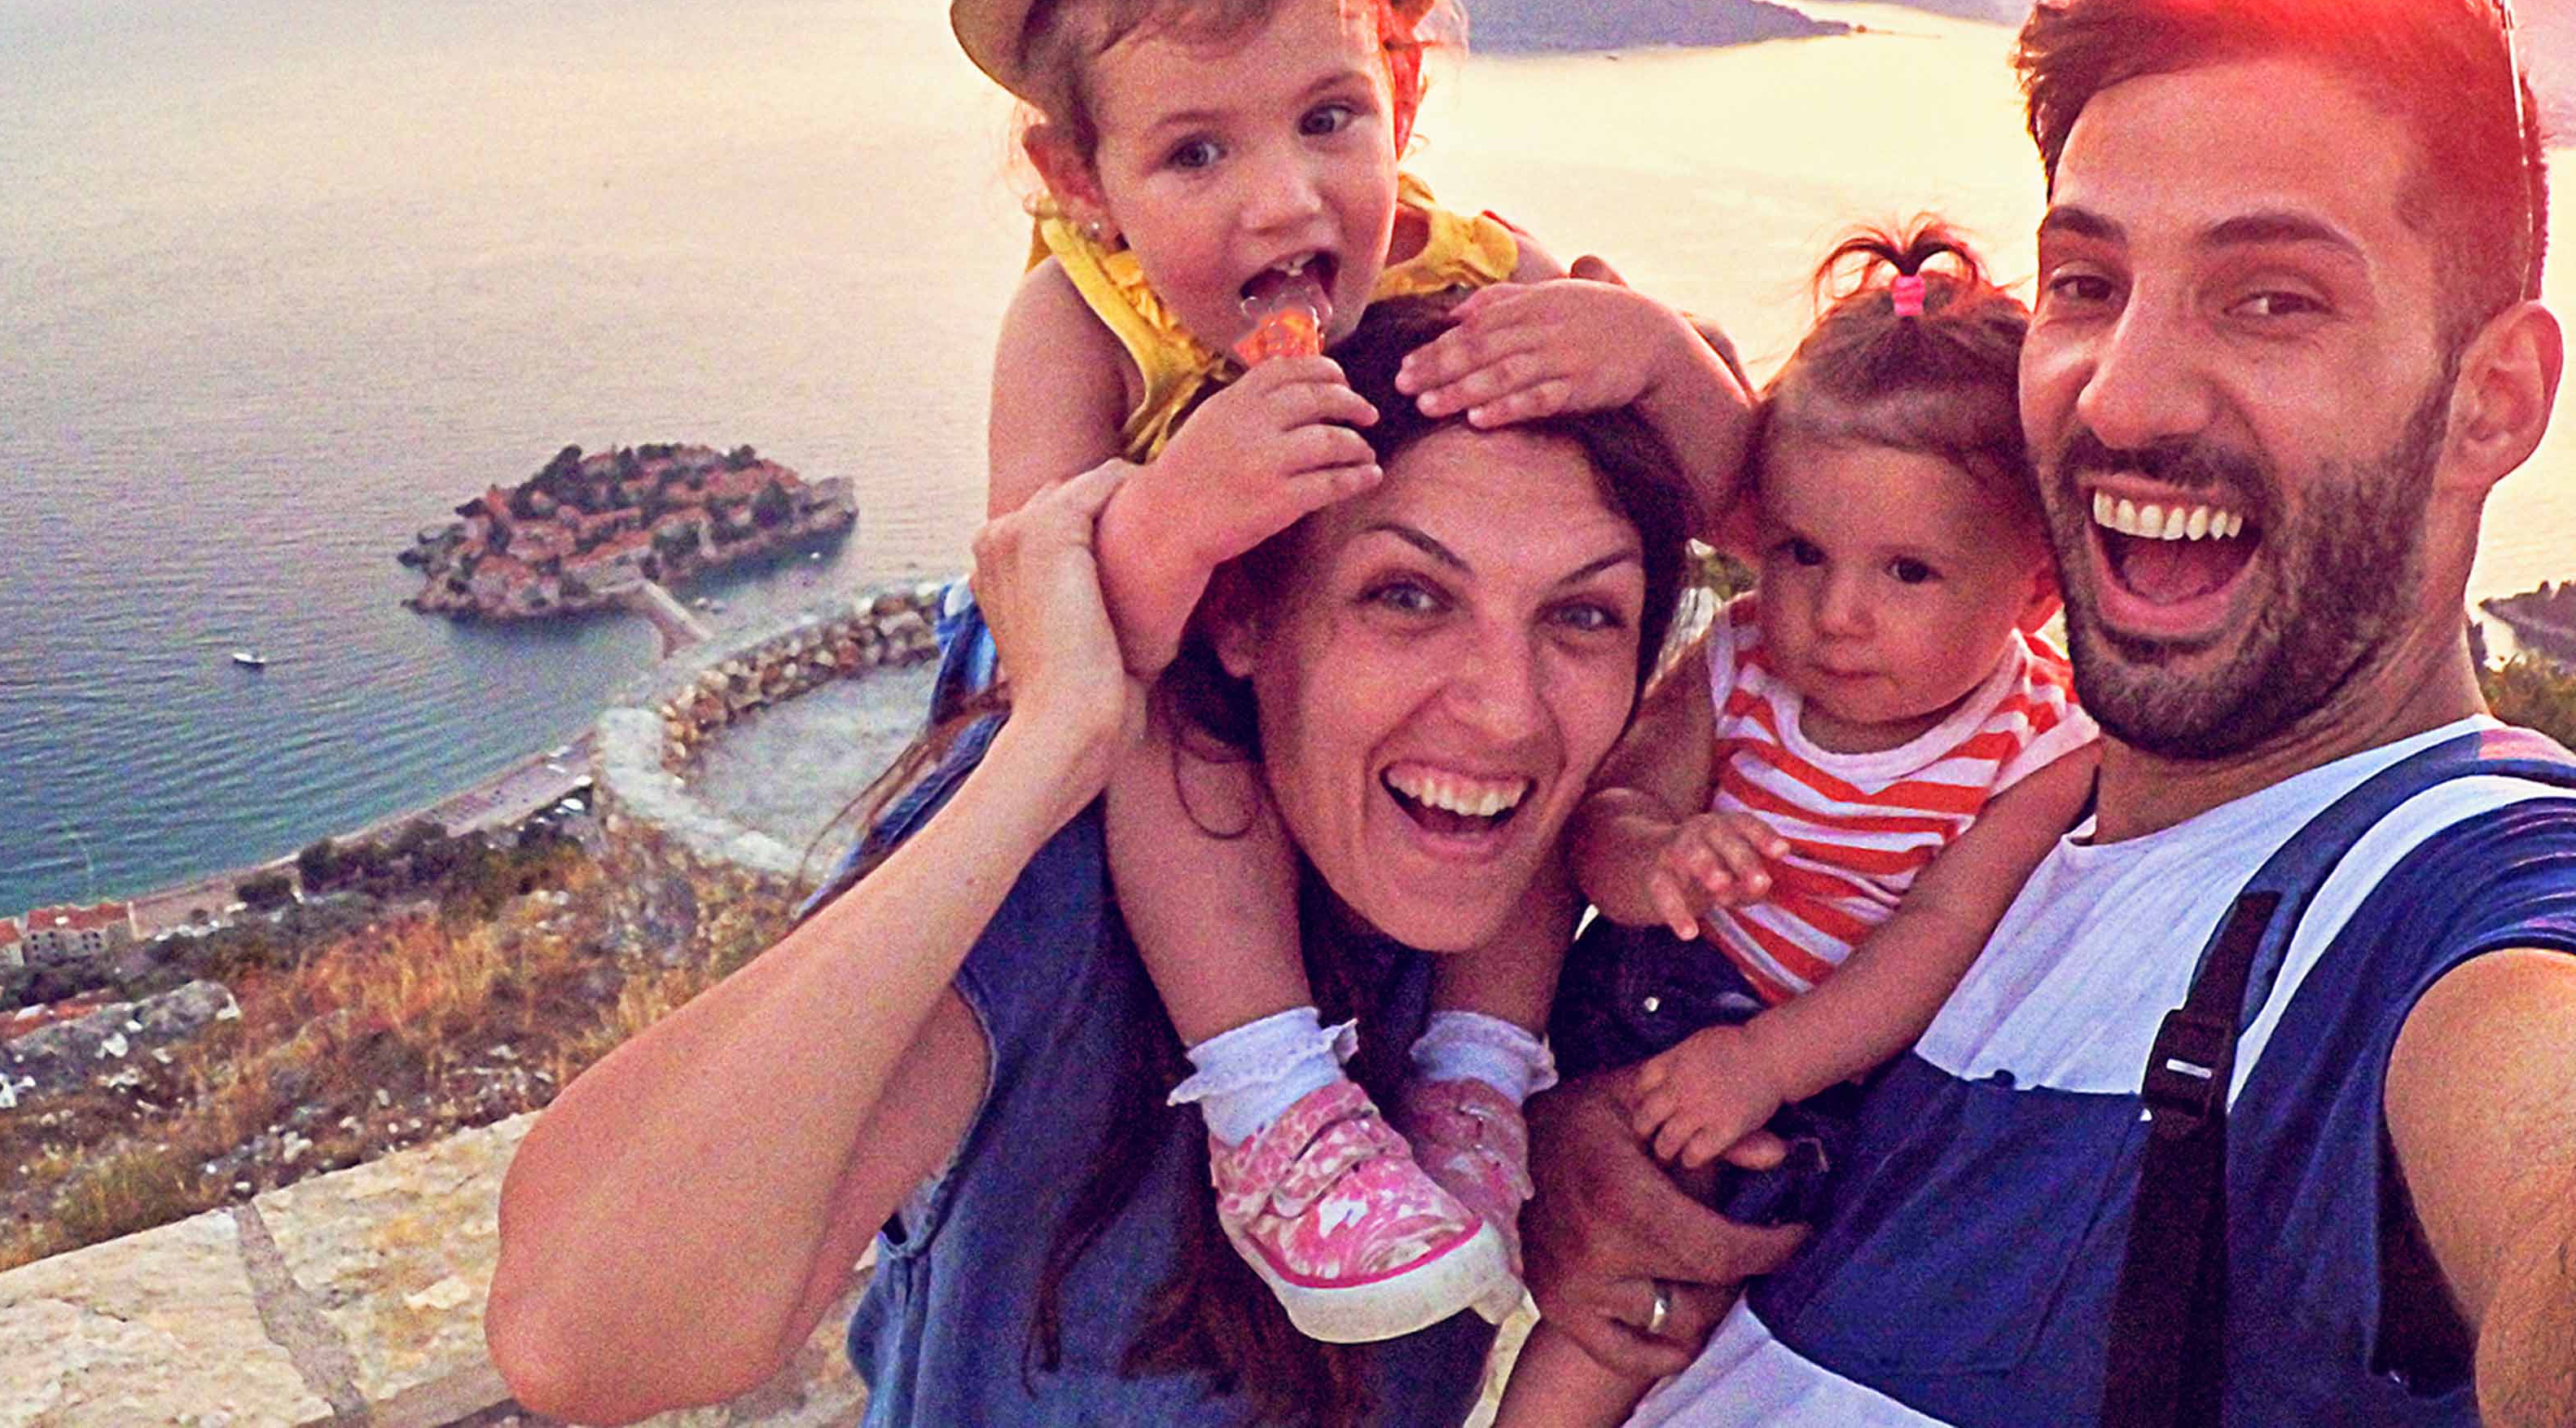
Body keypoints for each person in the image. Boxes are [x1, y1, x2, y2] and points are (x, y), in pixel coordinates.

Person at [1523, 0, 2576, 1421]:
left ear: (2490, 401)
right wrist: (1578, 1134)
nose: (2123, 394)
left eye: (2271, 299)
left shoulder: (2470, 904)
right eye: (2088, 284)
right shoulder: (1976, 785)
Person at [490, 301, 1702, 1426]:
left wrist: (1572, 1142)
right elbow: (582, 1337)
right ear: (1244, 620)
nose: (1506, 714)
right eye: (1407, 597)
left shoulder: (1571, 879)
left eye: (1582, 617)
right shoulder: (1072, 885)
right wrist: (1053, 737)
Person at [948, 0, 1749, 1341]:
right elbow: (1036, 610)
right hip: (1167, 680)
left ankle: (1475, 1084)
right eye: (1196, 149)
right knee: (1168, 741)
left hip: (1364, 704)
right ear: (1081, 177)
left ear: (1403, 87)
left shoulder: (1472, 260)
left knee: (1525, 731)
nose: (1287, 200)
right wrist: (1178, 518)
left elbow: (1749, 512)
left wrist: (1655, 353)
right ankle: (1278, 1114)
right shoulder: (1078, 323)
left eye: (1329, 120)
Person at [1492, 225, 2099, 1428]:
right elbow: (1606, 819)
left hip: (1812, 1062)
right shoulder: (1742, 661)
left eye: (1908, 574)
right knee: (1606, 1312)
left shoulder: (2040, 745)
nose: (1835, 615)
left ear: (2032, 583)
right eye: (1803, 553)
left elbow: (1936, 937)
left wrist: (1766, 1065)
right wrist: (1657, 858)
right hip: (1656, 994)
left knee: (1694, 1246)